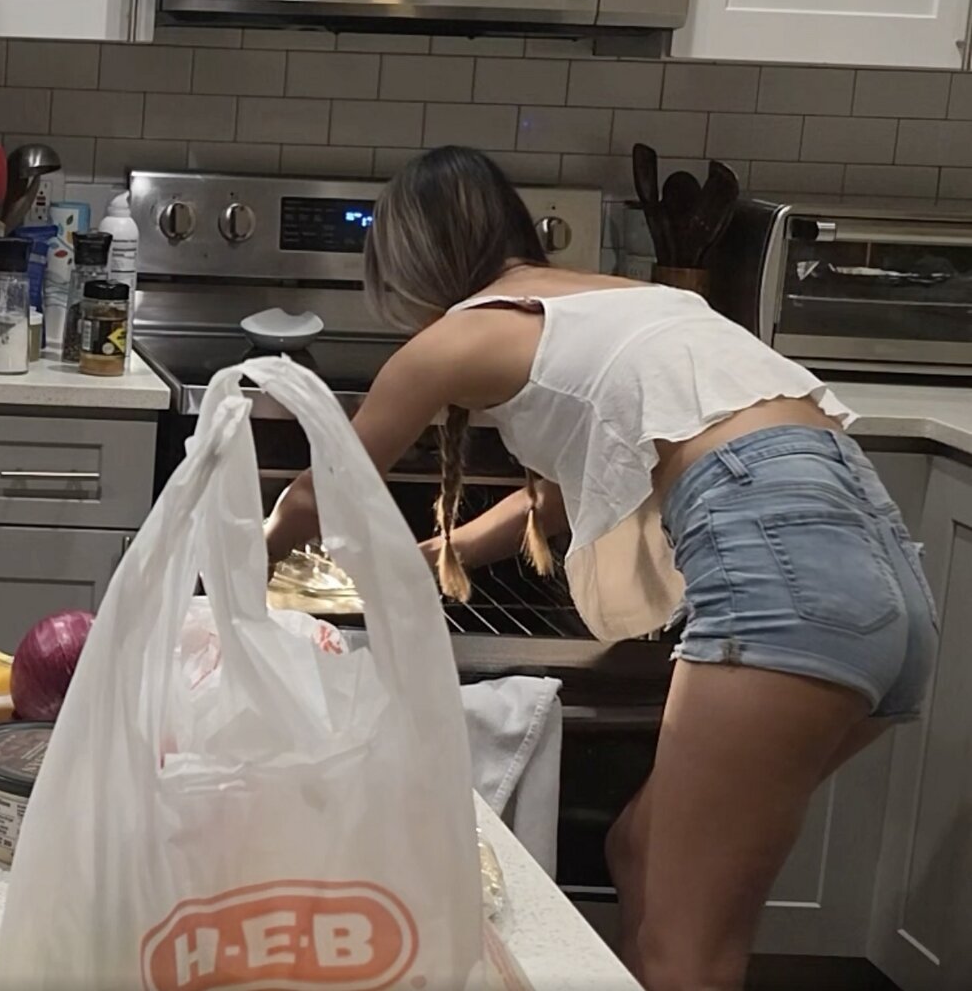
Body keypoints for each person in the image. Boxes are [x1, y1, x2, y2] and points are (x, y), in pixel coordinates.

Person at [264, 146, 938, 991]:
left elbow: (324, 486)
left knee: (686, 954)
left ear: (405, 266)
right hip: (884, 579)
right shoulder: (628, 302)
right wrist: (448, 553)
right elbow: (557, 498)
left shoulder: (459, 335)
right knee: (639, 848)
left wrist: (233, 561)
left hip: (782, 576)